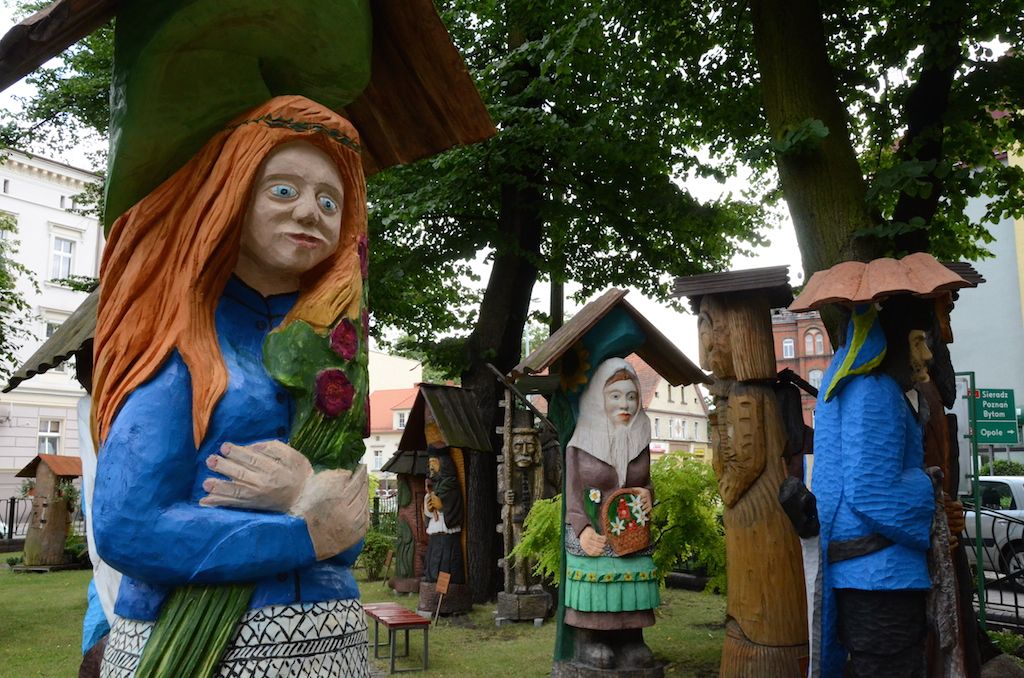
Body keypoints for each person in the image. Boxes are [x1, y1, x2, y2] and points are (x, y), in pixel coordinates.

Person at [91, 96, 371, 677]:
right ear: (231, 194)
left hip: (331, 636)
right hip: (204, 649)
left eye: (329, 200)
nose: (311, 213)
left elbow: (349, 527)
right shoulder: (183, 345)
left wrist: (309, 498)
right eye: (283, 190)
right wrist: (301, 531)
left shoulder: (335, 359)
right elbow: (128, 525)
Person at [563, 357, 658, 670]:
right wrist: (582, 530)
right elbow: (573, 495)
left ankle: (631, 638)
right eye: (615, 395)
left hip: (632, 533)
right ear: (598, 399)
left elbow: (645, 482)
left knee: (631, 587)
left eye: (631, 396)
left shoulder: (640, 438)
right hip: (596, 535)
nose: (625, 404)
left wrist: (647, 495)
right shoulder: (580, 444)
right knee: (598, 588)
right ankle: (593, 639)